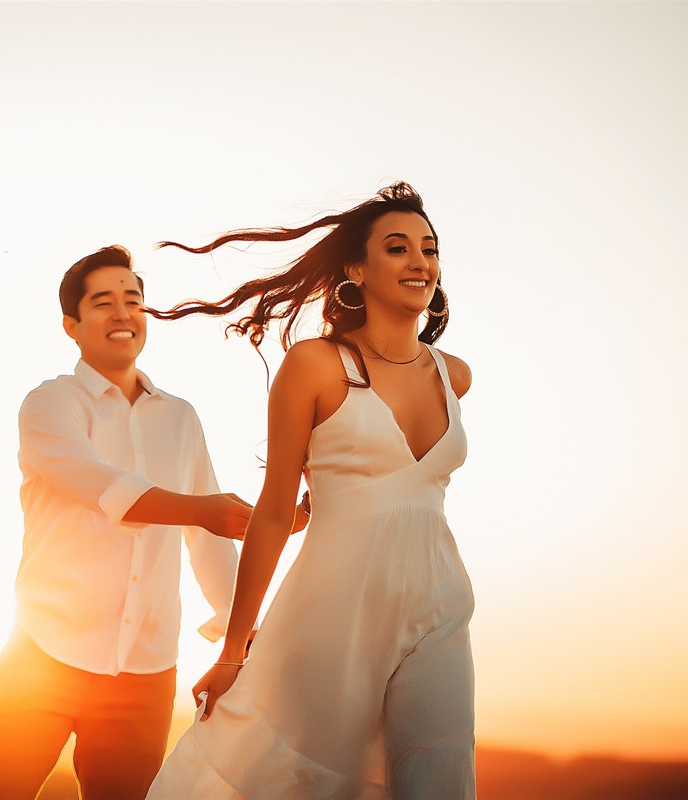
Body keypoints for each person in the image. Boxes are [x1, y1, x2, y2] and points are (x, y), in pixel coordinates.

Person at [146, 182, 476, 799]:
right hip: (333, 610)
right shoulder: (317, 365)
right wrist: (236, 649)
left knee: (439, 773)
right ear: (357, 268)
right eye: (398, 248)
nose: (420, 262)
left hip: (440, 602)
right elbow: (274, 512)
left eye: (429, 249)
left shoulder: (453, 375)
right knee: (305, 780)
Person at [0, 245, 294, 800]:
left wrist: (240, 638)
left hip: (145, 673)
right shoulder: (49, 405)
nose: (122, 313)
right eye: (103, 303)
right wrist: (202, 510)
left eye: (133, 300)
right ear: (71, 324)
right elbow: (103, 488)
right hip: (43, 657)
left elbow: (207, 543)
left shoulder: (181, 416)